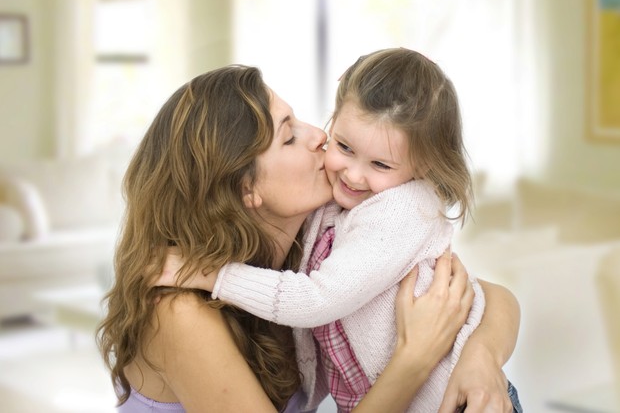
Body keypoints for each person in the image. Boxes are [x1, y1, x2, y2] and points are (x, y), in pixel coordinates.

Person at [98, 63, 519, 413]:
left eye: (301, 120)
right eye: (289, 136)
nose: (319, 135)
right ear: (246, 189)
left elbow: (487, 294)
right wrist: (415, 356)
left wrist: (480, 355)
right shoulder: (180, 311)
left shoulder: (308, 246)